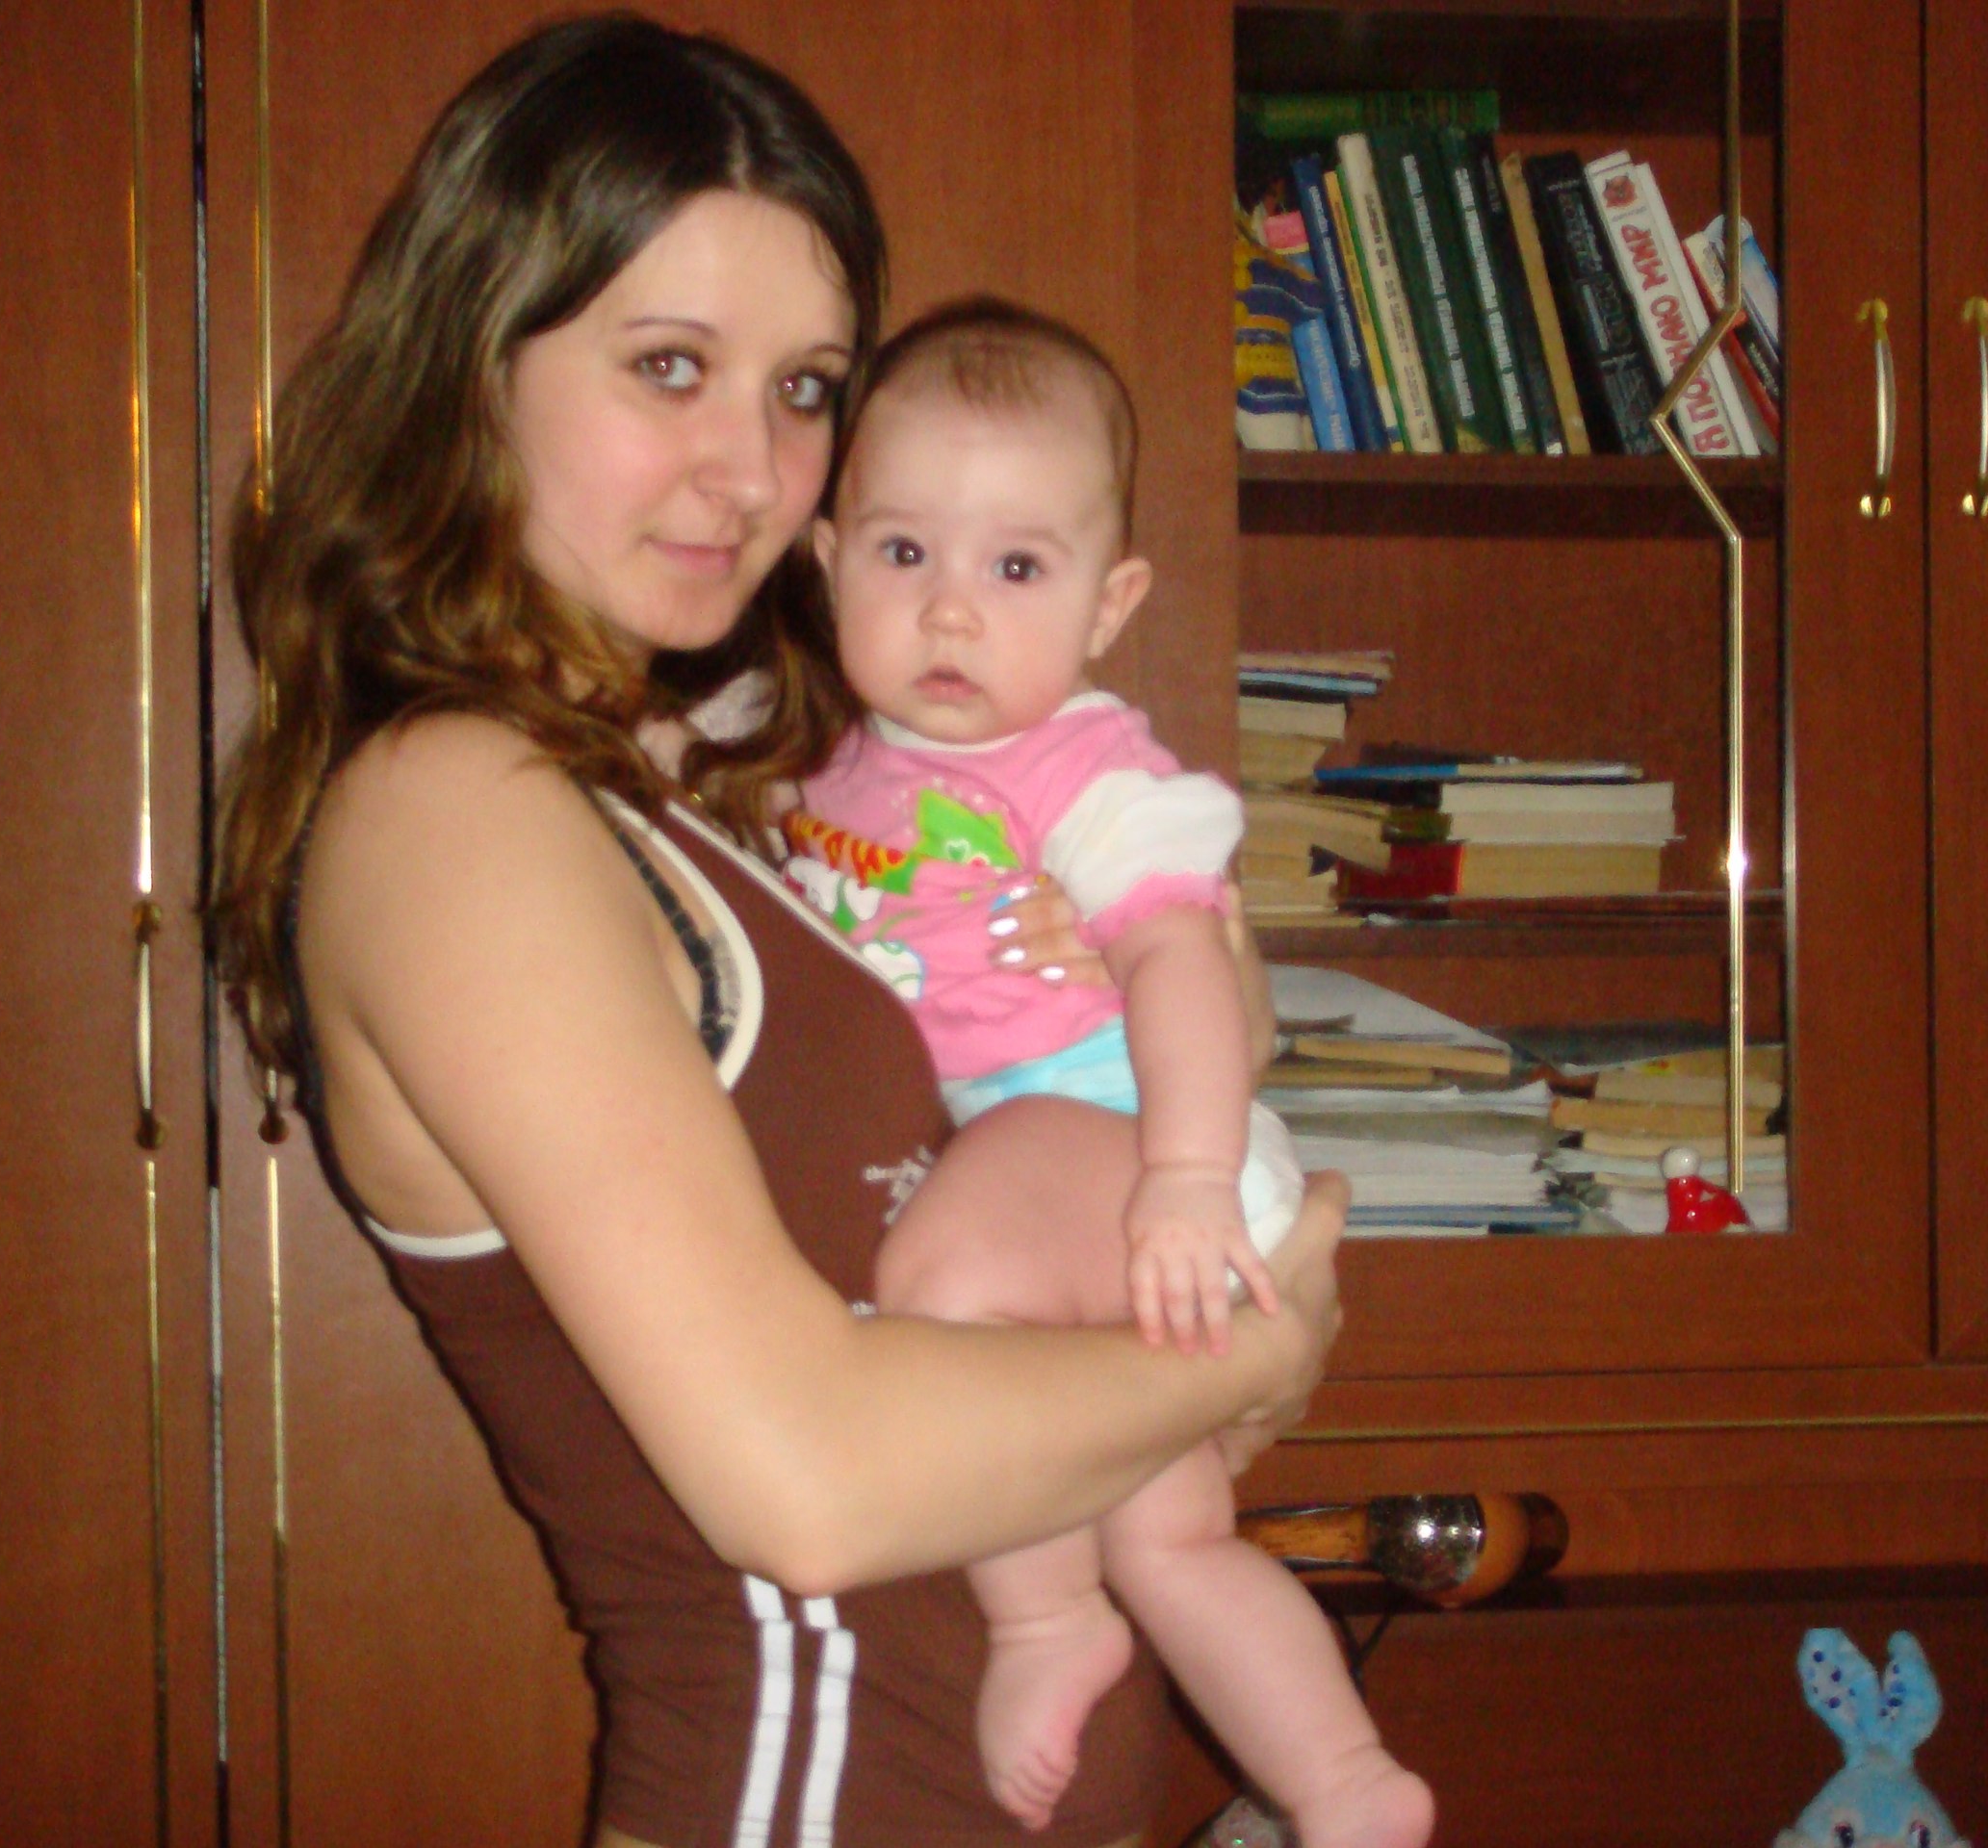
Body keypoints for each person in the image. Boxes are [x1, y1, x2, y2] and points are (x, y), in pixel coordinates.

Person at [207, 16, 1349, 1848]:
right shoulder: (450, 813)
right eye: (669, 366)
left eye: (807, 389)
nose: (752, 469)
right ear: (473, 364)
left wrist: (1172, 985)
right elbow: (804, 1479)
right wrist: (1244, 1355)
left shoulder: (701, 787)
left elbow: (1180, 1007)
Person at [787, 301, 1433, 1848]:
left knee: (941, 1279)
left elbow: (1181, 965)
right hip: (1087, 1181)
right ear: (826, 562)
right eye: (903, 554)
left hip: (1146, 1144)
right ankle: (1347, 1784)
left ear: (1110, 600)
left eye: (1017, 569)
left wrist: (1190, 1180)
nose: (952, 612)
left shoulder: (1087, 769)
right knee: (1174, 1536)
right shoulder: (837, 780)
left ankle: (1042, 1617)